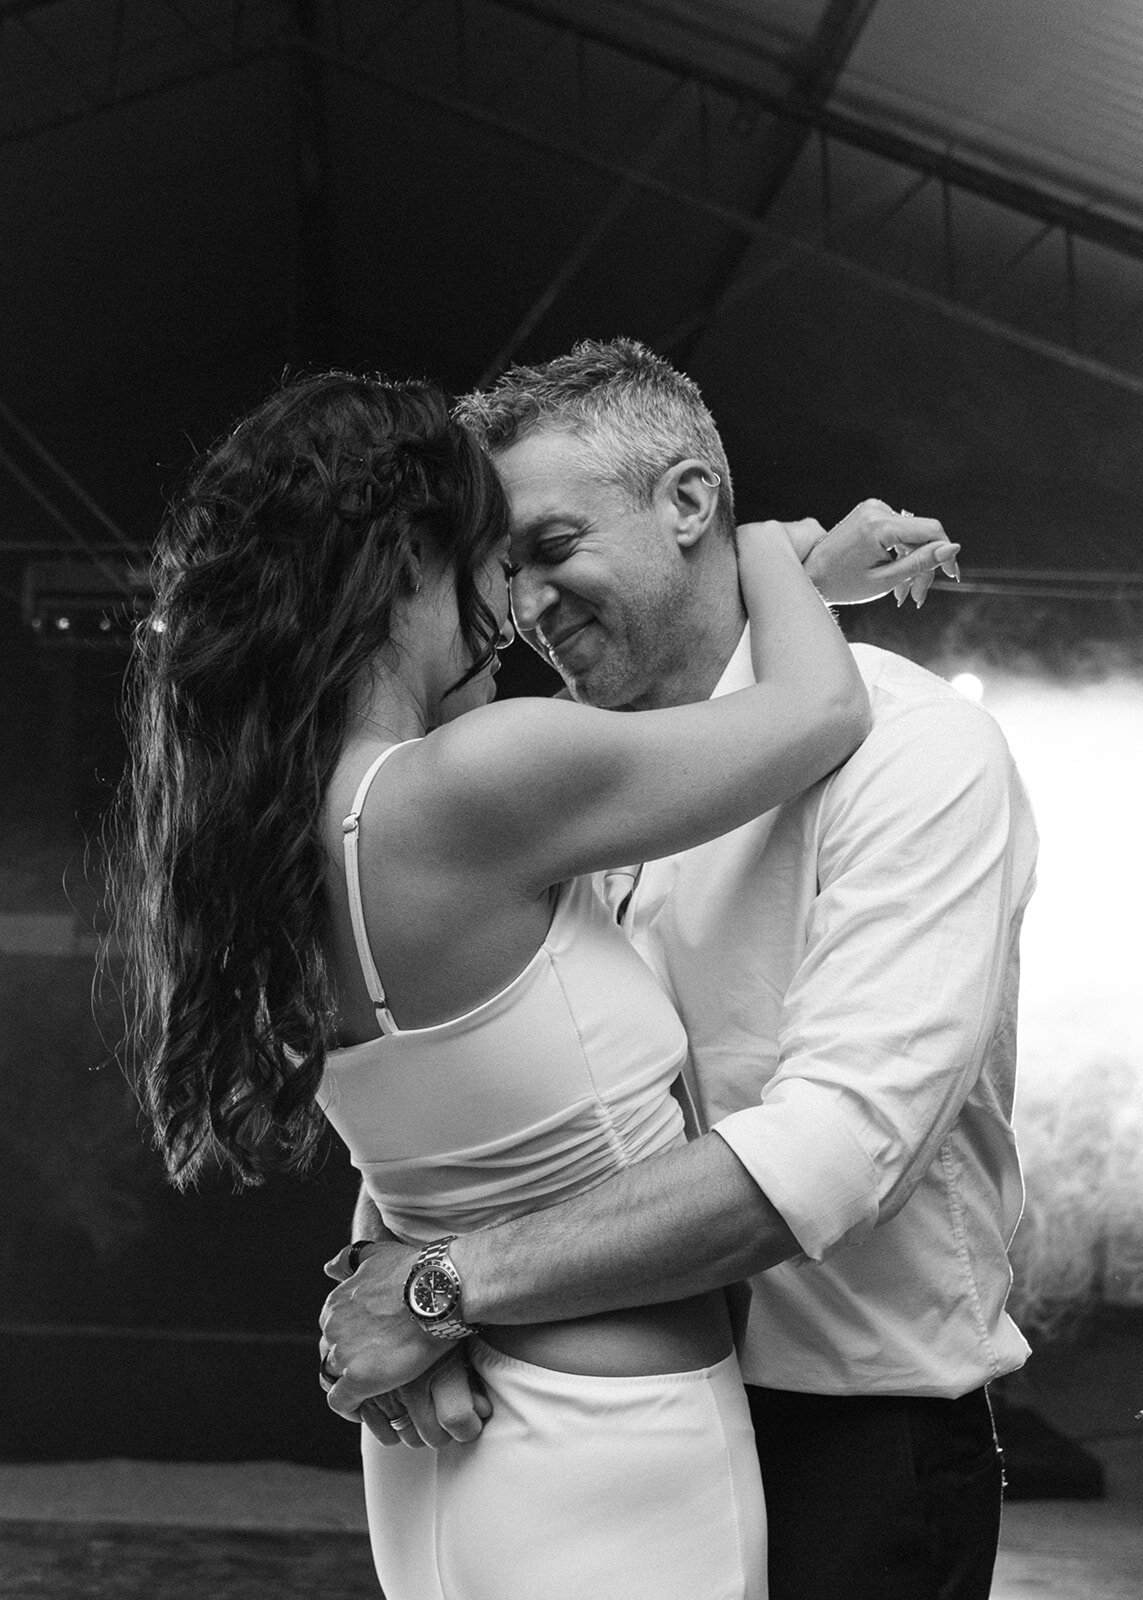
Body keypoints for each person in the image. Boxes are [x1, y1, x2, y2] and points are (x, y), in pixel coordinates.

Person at [113, 369, 954, 1600]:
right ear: (408, 558)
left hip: (444, 1453)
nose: (509, 610)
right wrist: (767, 547)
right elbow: (818, 711)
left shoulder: (277, 832)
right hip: (614, 1449)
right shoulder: (483, 780)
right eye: (492, 560)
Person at [322, 340, 1038, 1600]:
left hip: (849, 1451)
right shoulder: (566, 784)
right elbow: (499, 1099)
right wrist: (402, 1274)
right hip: (598, 1411)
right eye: (501, 571)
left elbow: (830, 1151)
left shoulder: (919, 751)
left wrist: (441, 1288)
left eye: (551, 547)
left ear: (692, 503)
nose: (524, 607)